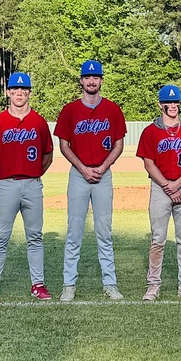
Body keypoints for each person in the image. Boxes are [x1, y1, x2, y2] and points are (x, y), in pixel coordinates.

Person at [55, 60, 127, 301]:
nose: (91, 81)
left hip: (103, 176)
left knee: (104, 232)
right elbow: (64, 145)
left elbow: (118, 144)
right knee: (74, 232)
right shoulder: (70, 110)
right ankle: (68, 285)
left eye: (95, 77)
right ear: (81, 80)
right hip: (78, 175)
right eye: (87, 77)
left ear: (101, 80)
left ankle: (110, 283)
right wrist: (83, 168)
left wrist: (103, 167)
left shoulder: (112, 109)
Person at [0, 72, 54, 301]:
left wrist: (33, 174)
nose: (19, 93)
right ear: (8, 92)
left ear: (29, 93)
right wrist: (4, 175)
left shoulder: (39, 121)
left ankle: (38, 284)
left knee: (35, 236)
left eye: (23, 90)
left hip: (32, 184)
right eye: (15, 90)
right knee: (0, 236)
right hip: (6, 184)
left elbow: (47, 155)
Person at [136, 84, 181, 301]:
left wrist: (179, 183)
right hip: (160, 187)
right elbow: (149, 163)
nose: (173, 105)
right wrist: (168, 186)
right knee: (158, 239)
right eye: (168, 102)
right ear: (160, 104)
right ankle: (153, 285)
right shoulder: (150, 131)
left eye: (176, 102)